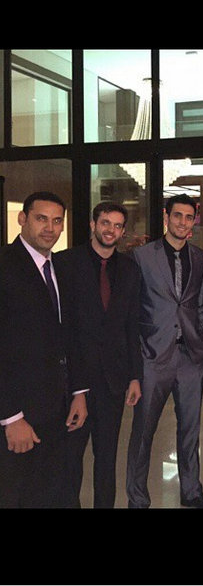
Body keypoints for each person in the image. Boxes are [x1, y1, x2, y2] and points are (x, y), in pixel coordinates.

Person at [126, 194, 203, 508]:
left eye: (189, 217)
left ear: (194, 221)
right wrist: (139, 348)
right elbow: (132, 307)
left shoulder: (201, 258)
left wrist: (202, 338)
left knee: (191, 429)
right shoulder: (141, 256)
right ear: (166, 217)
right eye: (177, 215)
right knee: (143, 432)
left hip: (190, 356)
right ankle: (138, 498)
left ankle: (191, 492)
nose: (182, 222)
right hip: (153, 356)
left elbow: (200, 304)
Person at [0, 191, 87, 508]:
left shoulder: (60, 267)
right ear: (22, 219)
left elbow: (70, 335)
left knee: (55, 491)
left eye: (57, 221)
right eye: (41, 219)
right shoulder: (5, 266)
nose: (50, 228)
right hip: (20, 414)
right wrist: (10, 417)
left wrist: (78, 391)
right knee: (18, 495)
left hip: (59, 410)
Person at [57, 201, 142, 508]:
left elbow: (132, 325)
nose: (111, 230)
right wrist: (73, 385)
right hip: (73, 380)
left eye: (118, 226)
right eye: (105, 223)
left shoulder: (130, 269)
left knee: (106, 459)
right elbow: (62, 326)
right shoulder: (65, 263)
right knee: (70, 460)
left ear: (122, 231)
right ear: (93, 225)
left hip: (113, 382)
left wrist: (135, 376)